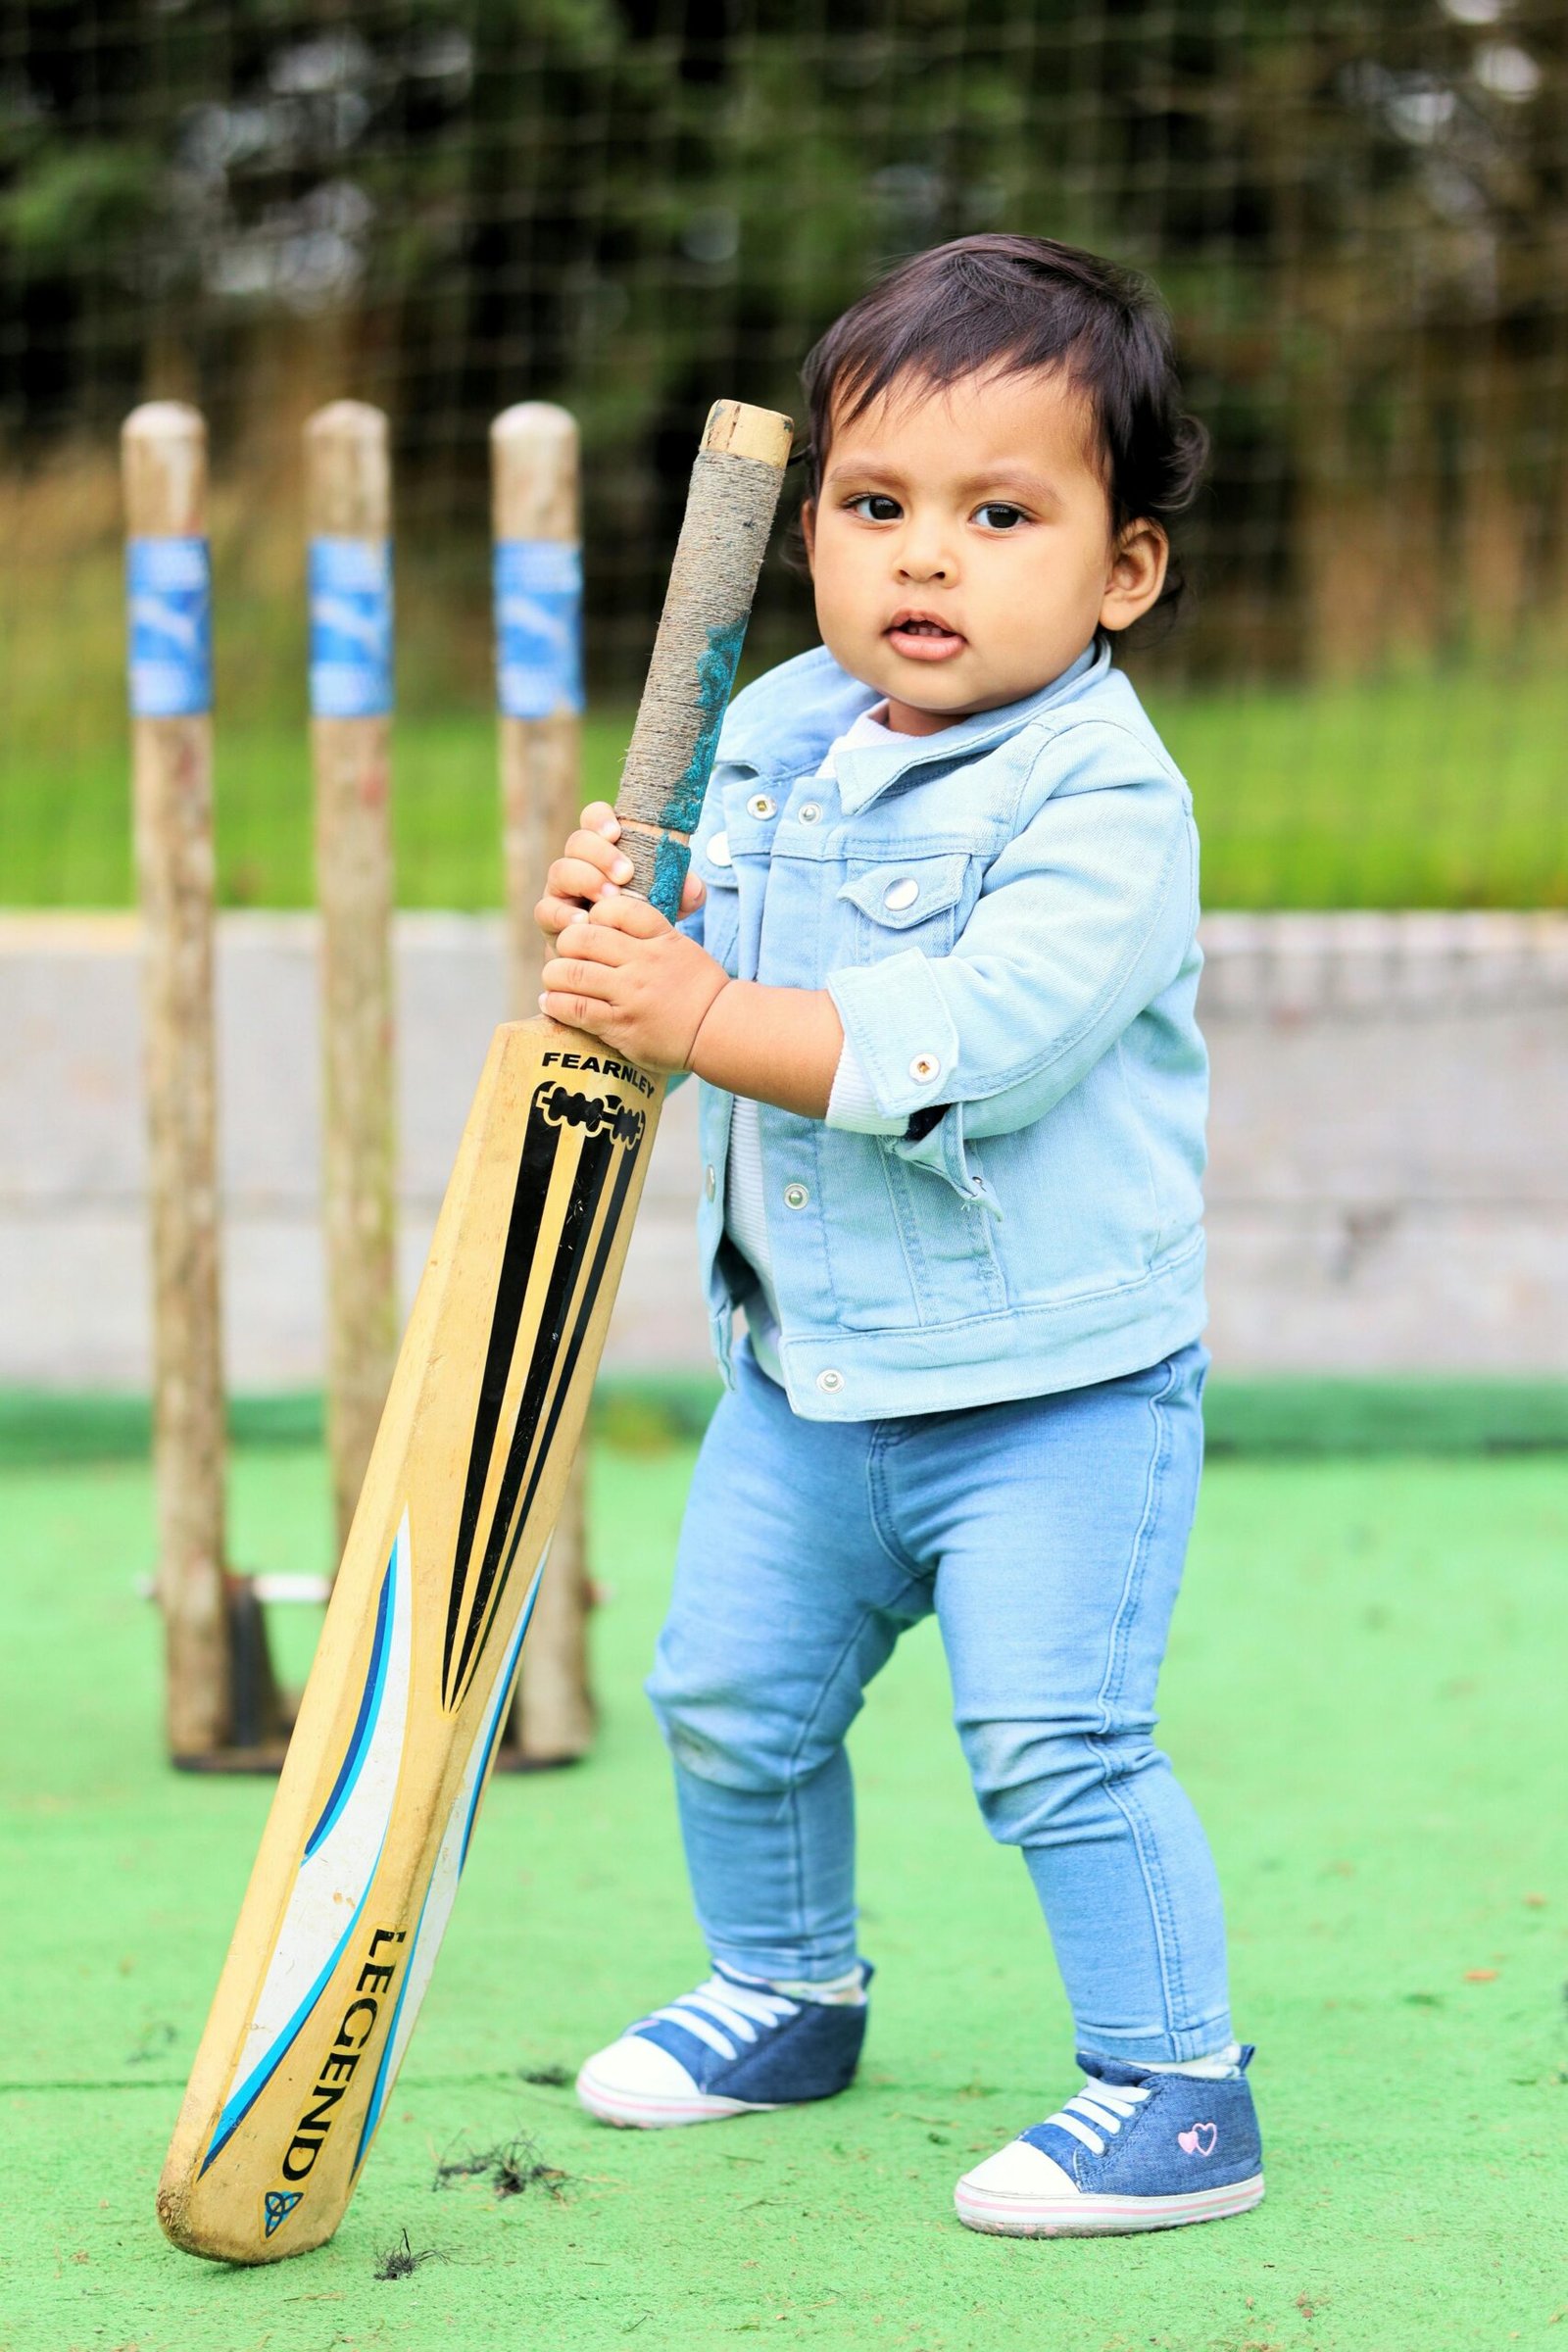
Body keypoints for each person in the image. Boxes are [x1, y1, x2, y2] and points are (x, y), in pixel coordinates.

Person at [533, 233, 1262, 2238]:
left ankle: (1178, 2091)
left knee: (1053, 1742)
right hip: (809, 1376)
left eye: (999, 516)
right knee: (726, 1699)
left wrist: (695, 1010)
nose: (924, 558)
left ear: (1123, 568)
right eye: (875, 507)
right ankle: (786, 1991)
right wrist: (627, 929)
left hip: (1052, 1393)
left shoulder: (1104, 801)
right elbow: (691, 958)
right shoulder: (776, 730)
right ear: (813, 532)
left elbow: (962, 1051)